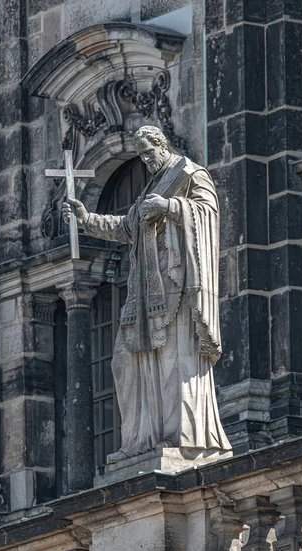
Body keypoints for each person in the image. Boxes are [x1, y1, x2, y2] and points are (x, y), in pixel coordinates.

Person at [62, 125, 231, 461]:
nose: (144, 159)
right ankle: (139, 440)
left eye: (147, 152)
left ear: (161, 145)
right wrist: (87, 219)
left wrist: (170, 208)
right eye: (139, 154)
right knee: (124, 362)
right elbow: (128, 226)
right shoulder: (152, 185)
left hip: (178, 284)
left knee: (174, 362)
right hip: (145, 290)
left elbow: (209, 214)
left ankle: (180, 437)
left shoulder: (189, 173)